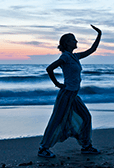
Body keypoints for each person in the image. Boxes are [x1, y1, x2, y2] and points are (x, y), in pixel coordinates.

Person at [38, 24, 102, 158]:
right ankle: (43, 148)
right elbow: (49, 69)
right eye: (73, 40)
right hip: (66, 94)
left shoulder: (75, 57)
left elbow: (92, 50)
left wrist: (99, 34)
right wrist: (57, 84)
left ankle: (86, 146)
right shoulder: (65, 57)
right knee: (56, 121)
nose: (76, 41)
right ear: (67, 43)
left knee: (86, 117)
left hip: (74, 95)